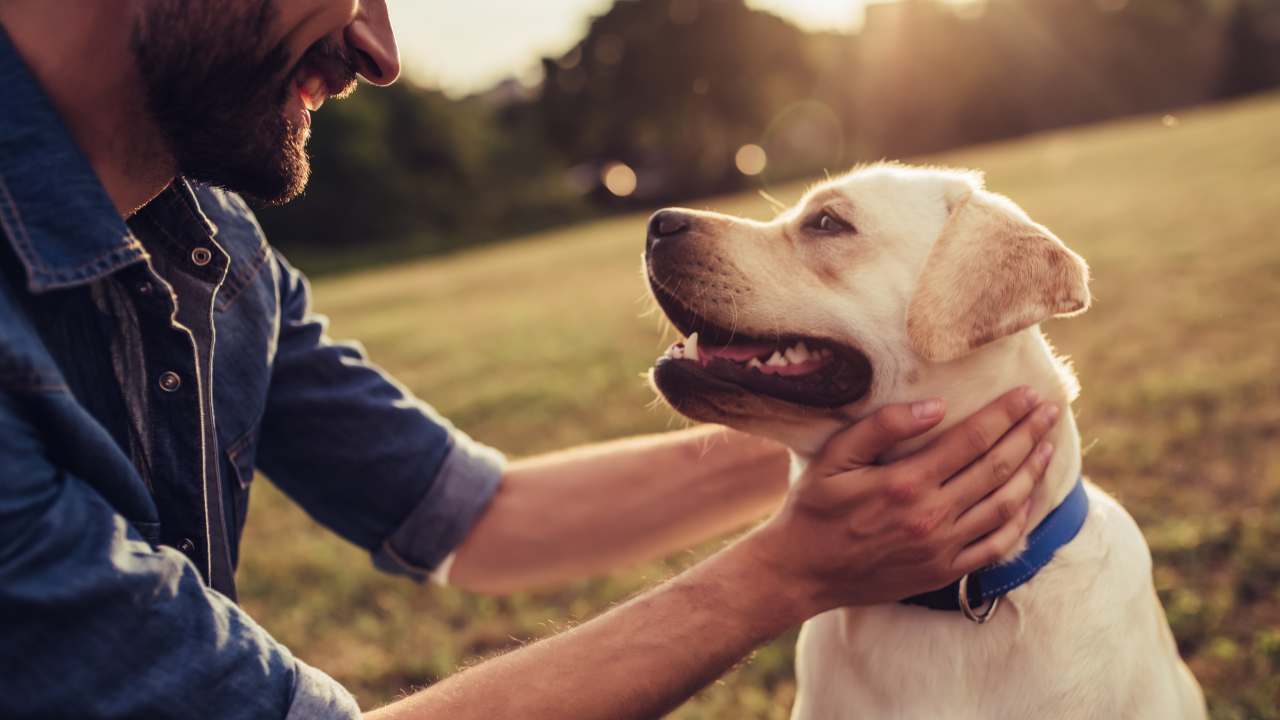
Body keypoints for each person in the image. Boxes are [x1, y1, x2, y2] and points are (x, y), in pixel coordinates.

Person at [0, 2, 1061, 718]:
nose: (379, 48)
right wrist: (782, 573)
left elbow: (479, 516)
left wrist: (901, 433)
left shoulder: (215, 248)